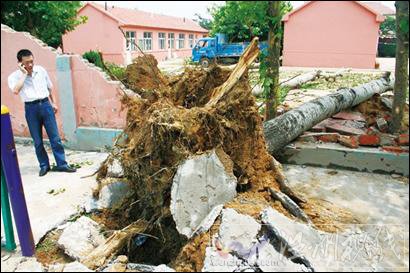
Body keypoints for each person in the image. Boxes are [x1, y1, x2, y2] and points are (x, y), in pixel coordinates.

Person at [8, 49, 76, 176]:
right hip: (31, 108)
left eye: (31, 61)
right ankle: (44, 165)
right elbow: (15, 90)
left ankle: (62, 164)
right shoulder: (14, 76)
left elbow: (50, 88)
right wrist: (23, 74)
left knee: (55, 138)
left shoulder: (41, 70)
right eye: (26, 63)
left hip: (45, 105)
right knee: (38, 141)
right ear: (20, 63)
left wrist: (53, 102)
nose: (30, 65)